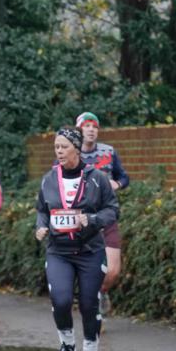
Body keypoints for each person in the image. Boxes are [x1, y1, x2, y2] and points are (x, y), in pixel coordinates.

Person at [35, 127, 118, 351]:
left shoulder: (97, 178)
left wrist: (92, 220)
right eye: (56, 147)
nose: (59, 152)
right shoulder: (49, 179)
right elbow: (42, 210)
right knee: (60, 300)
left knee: (88, 304)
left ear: (77, 148)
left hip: (90, 251)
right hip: (58, 251)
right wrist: (40, 227)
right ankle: (67, 345)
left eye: (64, 147)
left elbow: (112, 210)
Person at [76, 112, 129, 314]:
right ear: (79, 130)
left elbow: (124, 177)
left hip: (106, 217)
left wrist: (118, 184)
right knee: (87, 269)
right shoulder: (70, 153)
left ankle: (102, 291)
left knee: (113, 271)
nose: (91, 130)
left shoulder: (109, 152)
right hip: (82, 221)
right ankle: (92, 308)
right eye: (87, 126)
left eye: (95, 126)